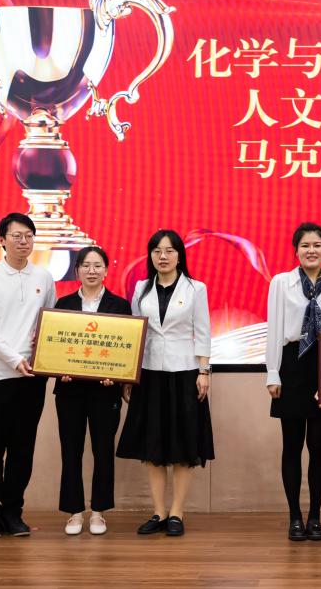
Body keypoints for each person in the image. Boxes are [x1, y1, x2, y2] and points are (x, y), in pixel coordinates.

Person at [116, 230, 214, 537]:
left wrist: (204, 372)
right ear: (150, 255)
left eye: (170, 250)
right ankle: (158, 511)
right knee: (153, 445)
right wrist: (129, 373)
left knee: (184, 445)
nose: (163, 256)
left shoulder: (196, 288)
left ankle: (176, 513)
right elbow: (135, 333)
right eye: (157, 250)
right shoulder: (141, 288)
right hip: (148, 373)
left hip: (184, 372)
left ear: (180, 255)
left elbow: (203, 332)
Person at [0, 212, 56, 538]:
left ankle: (12, 511)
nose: (24, 241)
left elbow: (50, 320)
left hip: (32, 376)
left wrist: (40, 353)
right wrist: (13, 358)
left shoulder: (43, 277)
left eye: (29, 236)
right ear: (2, 240)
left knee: (23, 448)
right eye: (17, 236)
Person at [265, 222, 321, 541]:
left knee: (319, 445)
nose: (311, 250)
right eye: (305, 245)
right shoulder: (281, 282)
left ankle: (315, 516)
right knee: (292, 445)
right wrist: (272, 372)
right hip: (291, 364)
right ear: (296, 250)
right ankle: (294, 517)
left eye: (317, 245)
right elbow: (274, 328)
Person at [52, 246, 132, 536]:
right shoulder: (63, 304)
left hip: (105, 392)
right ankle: (74, 511)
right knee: (70, 450)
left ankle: (98, 511)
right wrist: (59, 368)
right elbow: (55, 346)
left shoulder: (120, 306)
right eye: (86, 265)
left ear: (106, 270)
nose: (92, 271)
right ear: (77, 270)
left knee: (103, 450)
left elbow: (126, 348)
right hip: (70, 390)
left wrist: (118, 375)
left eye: (98, 265)